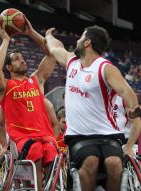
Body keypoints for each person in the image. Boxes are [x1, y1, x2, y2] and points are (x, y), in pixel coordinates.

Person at [45, 25, 141, 191]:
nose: (77, 40)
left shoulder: (105, 68)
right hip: (79, 137)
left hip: (108, 135)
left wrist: (133, 108)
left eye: (81, 37)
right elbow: (54, 47)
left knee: (115, 163)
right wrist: (47, 35)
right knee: (91, 161)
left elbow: (127, 91)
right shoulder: (71, 62)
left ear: (87, 42)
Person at [0, 17, 57, 190]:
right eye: (17, 59)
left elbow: (51, 54)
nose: (23, 60)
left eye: (23, 58)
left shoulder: (37, 80)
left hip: (46, 137)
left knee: (51, 155)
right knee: (35, 154)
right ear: (9, 68)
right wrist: (6, 40)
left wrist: (31, 32)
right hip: (24, 140)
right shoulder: (5, 87)